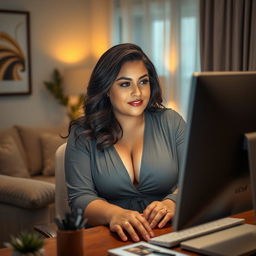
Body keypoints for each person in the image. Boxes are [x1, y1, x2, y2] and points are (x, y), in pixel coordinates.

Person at [65, 43, 185, 242]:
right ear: (106, 89)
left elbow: (194, 179)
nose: (137, 92)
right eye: (125, 83)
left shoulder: (171, 122)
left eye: (143, 81)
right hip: (109, 237)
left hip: (167, 232)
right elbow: (79, 199)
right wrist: (114, 214)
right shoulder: (83, 133)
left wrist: (173, 202)